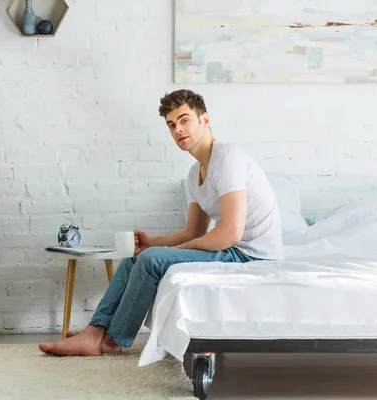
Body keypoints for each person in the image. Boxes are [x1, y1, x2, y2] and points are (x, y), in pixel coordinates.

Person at [39, 89, 283, 357]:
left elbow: (231, 233)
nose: (178, 129)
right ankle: (94, 332)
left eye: (184, 119)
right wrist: (151, 243)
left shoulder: (228, 158)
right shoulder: (194, 174)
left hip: (252, 256)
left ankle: (112, 341)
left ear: (205, 119)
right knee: (136, 257)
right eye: (171, 124)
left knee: (151, 260)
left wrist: (167, 252)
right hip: (232, 250)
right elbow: (194, 231)